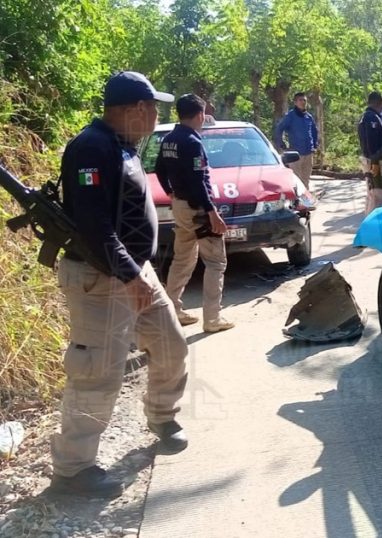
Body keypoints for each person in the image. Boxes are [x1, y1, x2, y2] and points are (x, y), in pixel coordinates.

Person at [50, 72, 189, 498]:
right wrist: (130, 276)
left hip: (132, 270)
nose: (156, 118)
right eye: (153, 110)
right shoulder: (91, 147)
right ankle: (72, 470)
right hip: (100, 276)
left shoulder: (122, 145)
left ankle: (162, 416)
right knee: (96, 374)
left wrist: (136, 272)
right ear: (135, 109)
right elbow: (93, 224)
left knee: (171, 344)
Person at [156, 94, 234, 334]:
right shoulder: (193, 142)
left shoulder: (169, 139)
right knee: (215, 262)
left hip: (179, 206)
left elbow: (159, 169)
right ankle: (212, 318)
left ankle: (172, 311)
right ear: (200, 114)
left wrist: (170, 192)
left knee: (183, 258)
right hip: (198, 209)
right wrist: (212, 212)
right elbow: (199, 181)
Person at [273, 92, 319, 189]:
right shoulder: (290, 116)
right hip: (296, 154)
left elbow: (314, 131)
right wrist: (281, 143)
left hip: (308, 153)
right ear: (295, 102)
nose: (303, 102)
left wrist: (314, 145)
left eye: (304, 100)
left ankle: (306, 203)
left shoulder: (309, 117)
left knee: (306, 180)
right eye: (300, 100)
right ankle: (296, 202)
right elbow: (279, 129)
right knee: (296, 181)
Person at [358, 91, 382, 214]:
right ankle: (372, 223)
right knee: (378, 194)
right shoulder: (370, 117)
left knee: (373, 194)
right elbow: (370, 142)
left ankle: (370, 220)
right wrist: (375, 162)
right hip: (375, 161)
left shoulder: (371, 116)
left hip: (375, 159)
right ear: (379, 103)